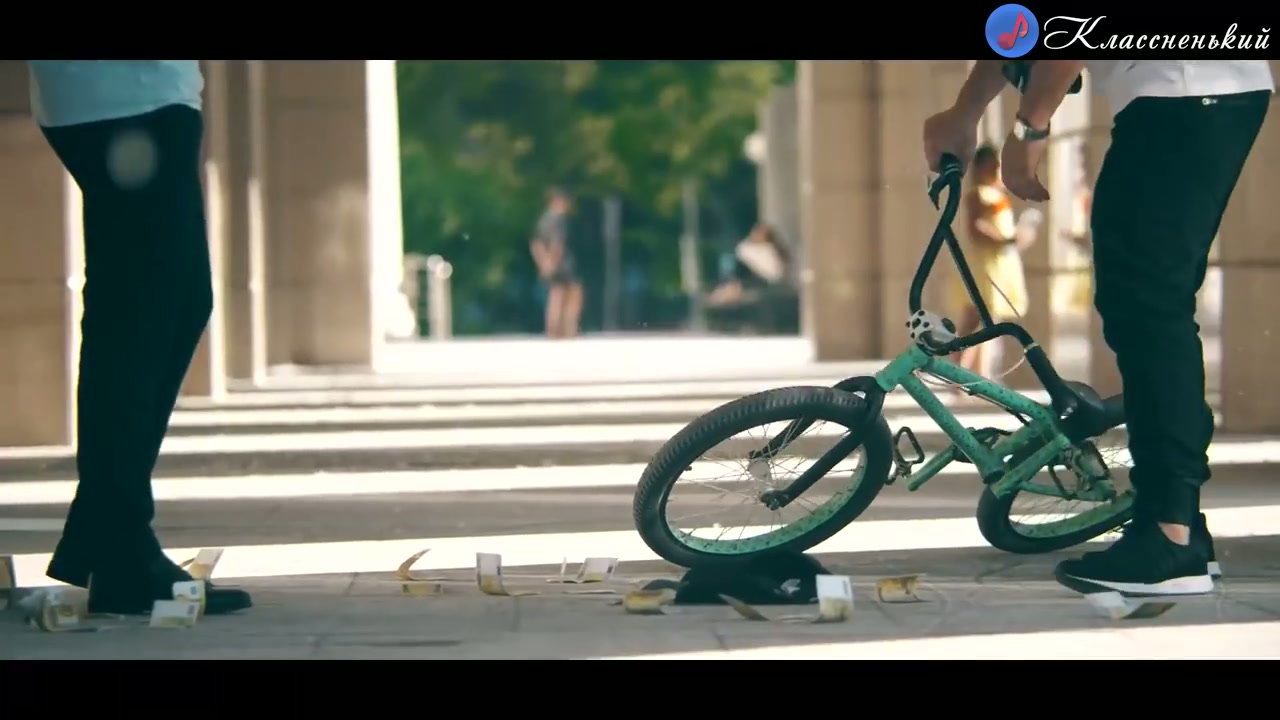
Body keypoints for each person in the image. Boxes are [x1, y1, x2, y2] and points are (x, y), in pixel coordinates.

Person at [924, 60, 1272, 598]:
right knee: (1144, 304)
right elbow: (1025, 27)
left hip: (1182, 93)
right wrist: (966, 111)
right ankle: (1177, 523)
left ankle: (1170, 534)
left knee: (1149, 307)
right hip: (1184, 96)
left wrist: (1030, 127)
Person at [29, 61, 252, 615]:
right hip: (128, 98)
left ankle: (112, 537)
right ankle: (119, 547)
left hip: (136, 96)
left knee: (168, 305)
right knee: (140, 315)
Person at [947, 144, 1029, 376]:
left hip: (997, 264)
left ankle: (976, 375)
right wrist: (1004, 240)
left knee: (985, 323)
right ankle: (958, 373)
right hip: (985, 266)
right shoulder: (978, 194)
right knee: (975, 320)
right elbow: (976, 228)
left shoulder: (996, 194)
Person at [530, 187, 583, 338]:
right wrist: (553, 262)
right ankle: (568, 328)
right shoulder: (559, 219)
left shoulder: (543, 219)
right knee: (574, 293)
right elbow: (557, 242)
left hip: (548, 262)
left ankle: (553, 329)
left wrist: (543, 263)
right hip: (562, 262)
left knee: (556, 294)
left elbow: (535, 243)